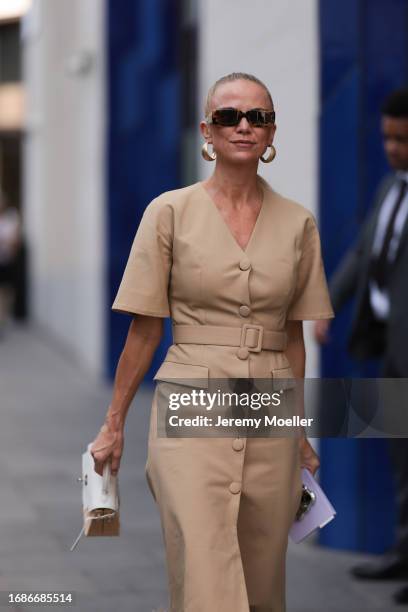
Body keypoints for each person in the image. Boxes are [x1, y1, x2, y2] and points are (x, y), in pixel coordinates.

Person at [91, 72, 334, 612]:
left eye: (258, 117)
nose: (244, 126)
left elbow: (294, 338)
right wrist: (114, 425)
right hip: (191, 396)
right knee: (204, 564)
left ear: (272, 133)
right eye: (229, 116)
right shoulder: (168, 212)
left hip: (269, 407)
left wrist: (299, 435)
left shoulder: (299, 224)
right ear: (207, 130)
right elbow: (145, 328)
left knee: (263, 573)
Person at [314, 88, 408, 605]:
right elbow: (362, 250)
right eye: (388, 138)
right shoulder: (390, 188)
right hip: (390, 349)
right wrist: (328, 300)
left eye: (402, 139)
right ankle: (404, 549)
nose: (393, 148)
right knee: (401, 457)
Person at [0, 189, 21, 336]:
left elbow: (14, 242)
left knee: (6, 292)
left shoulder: (10, 218)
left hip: (6, 262)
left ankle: (2, 319)